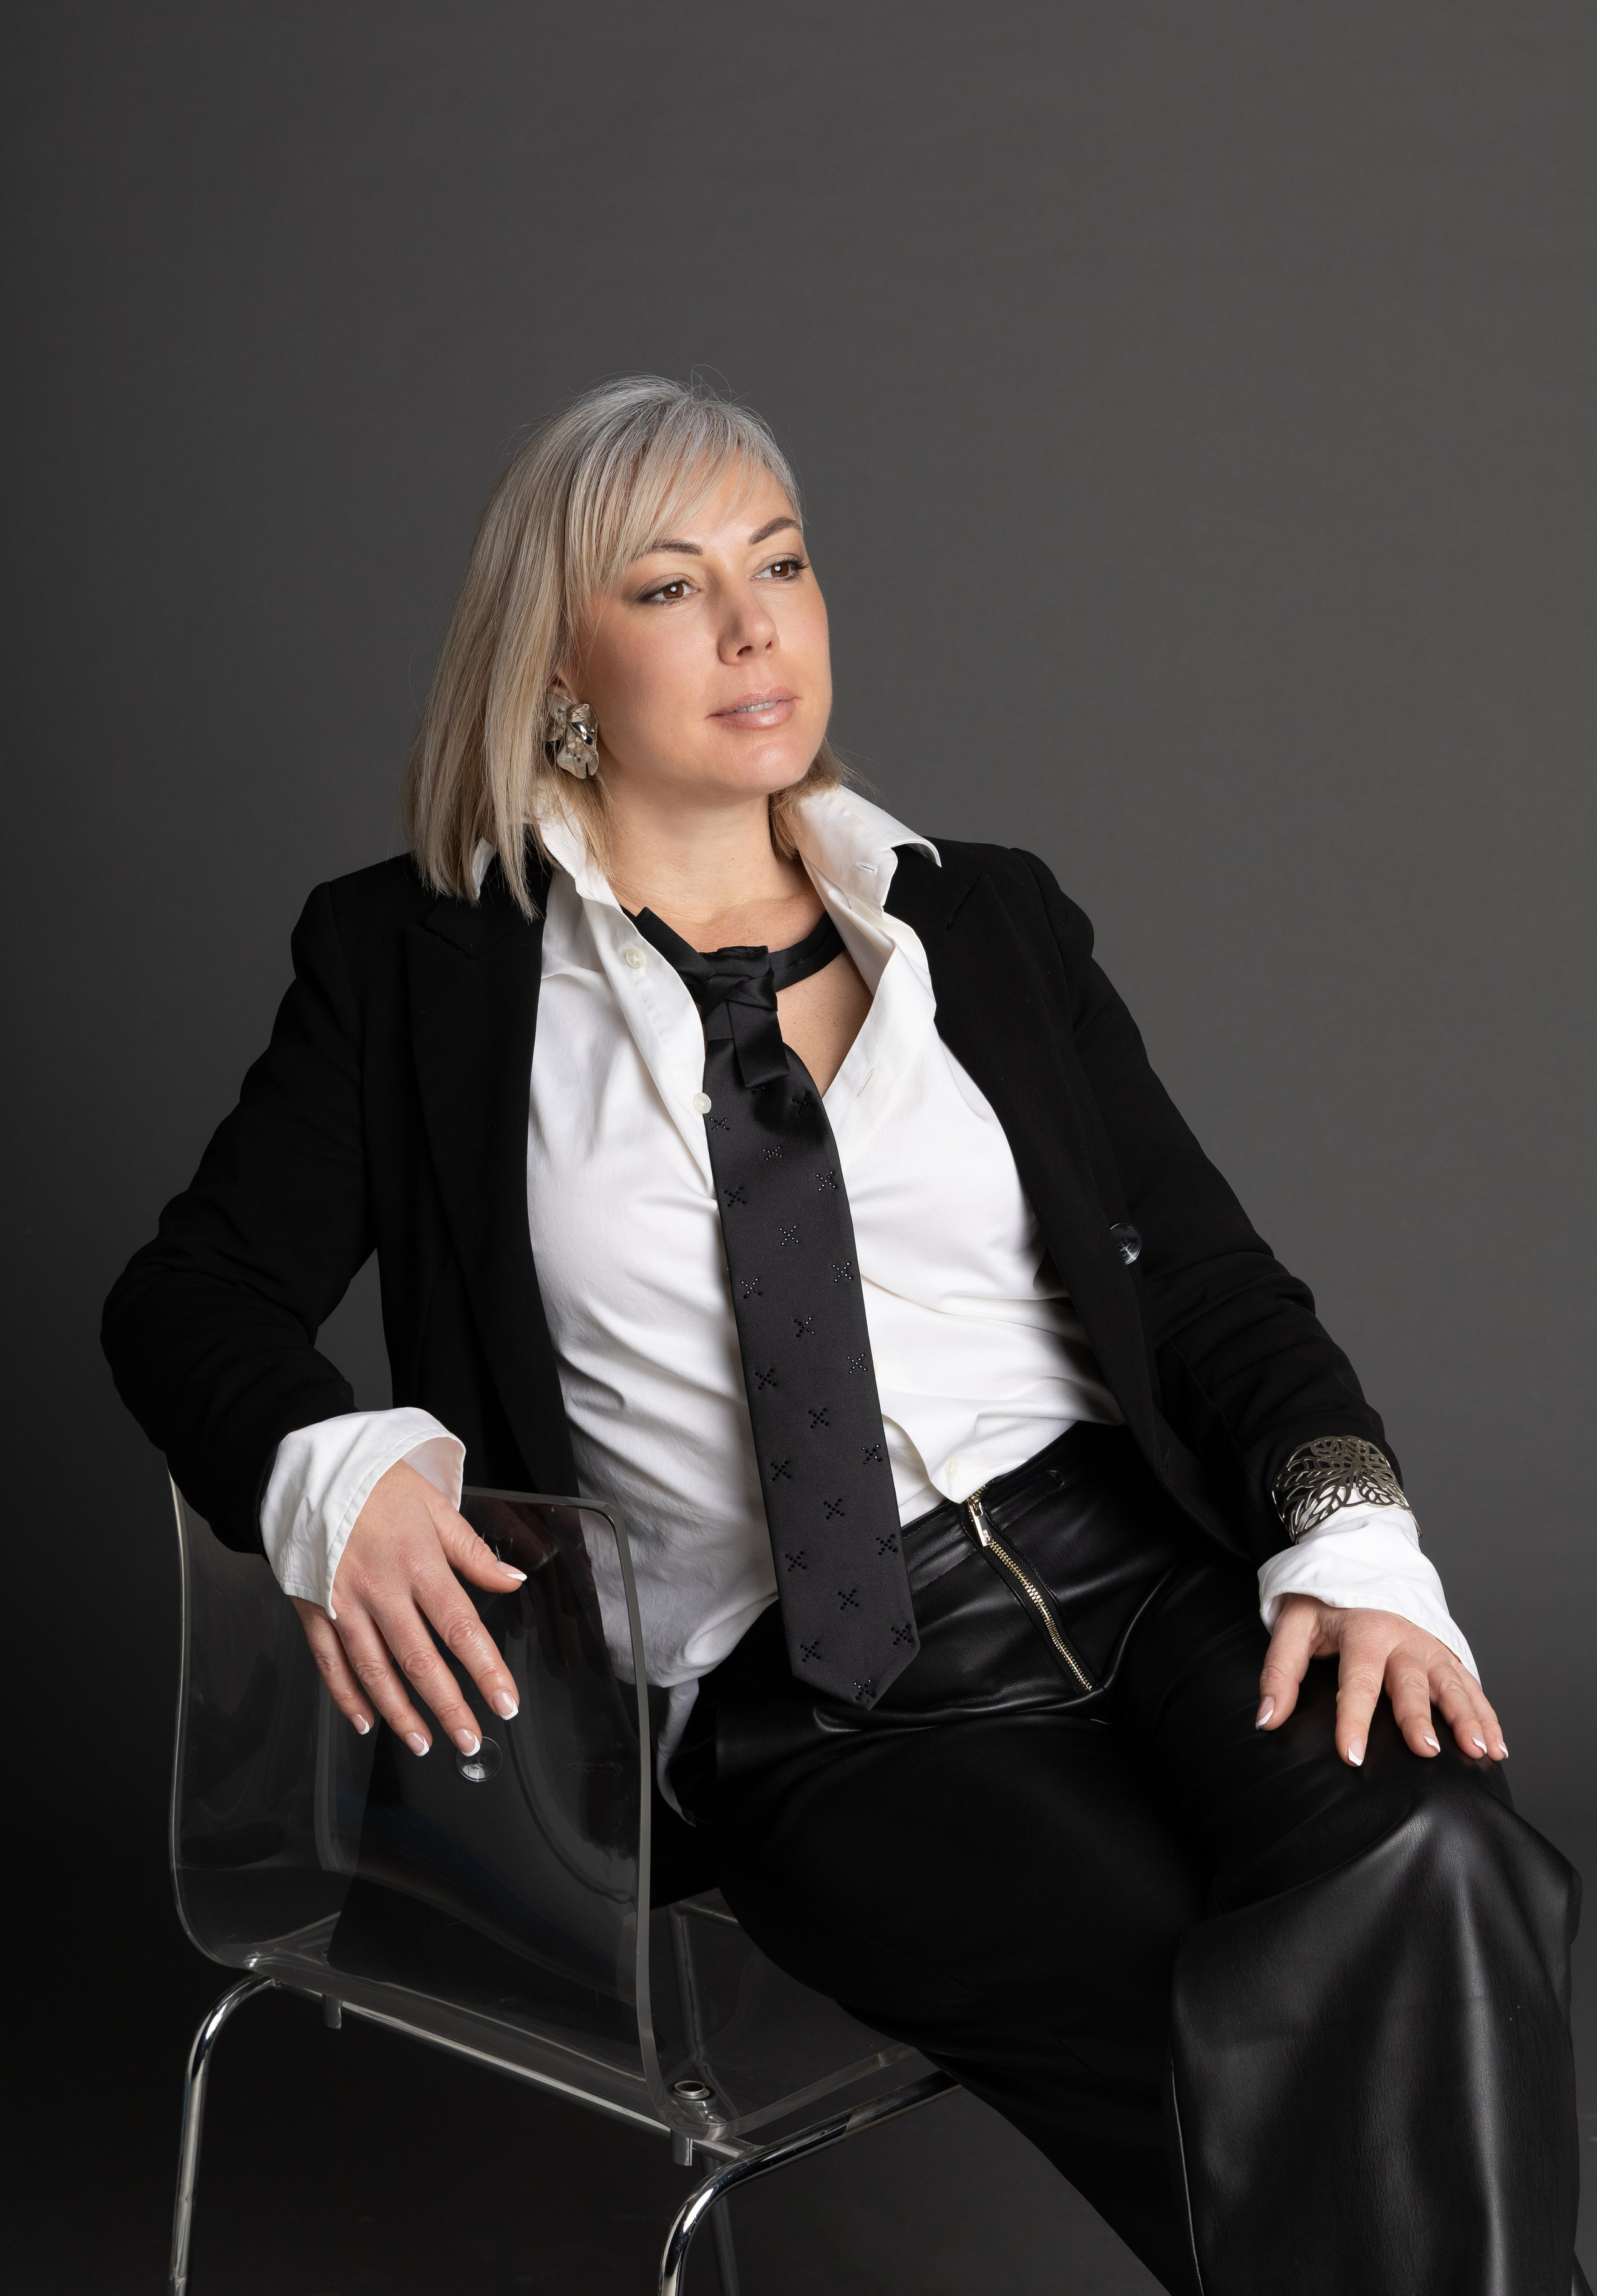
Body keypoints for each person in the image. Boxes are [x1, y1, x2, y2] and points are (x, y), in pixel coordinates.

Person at [104, 377, 1584, 2295]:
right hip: (818, 1709)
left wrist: (1350, 1535)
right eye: (670, 586)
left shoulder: (995, 928)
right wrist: (338, 1468)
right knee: (1249, 2011)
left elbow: (1215, 1294)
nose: (754, 627)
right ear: (558, 656)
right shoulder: (420, 967)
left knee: (1439, 1854)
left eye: (781, 564)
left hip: (1140, 1582)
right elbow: (188, 1298)